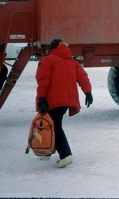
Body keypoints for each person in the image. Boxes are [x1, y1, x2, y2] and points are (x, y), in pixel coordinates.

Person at [36, 39, 93, 168]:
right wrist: (88, 93)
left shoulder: (48, 60)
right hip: (67, 101)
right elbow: (83, 77)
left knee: (53, 126)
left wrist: (42, 98)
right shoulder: (73, 62)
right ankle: (47, 151)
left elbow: (42, 81)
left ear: (53, 48)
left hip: (51, 101)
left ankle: (65, 155)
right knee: (52, 125)